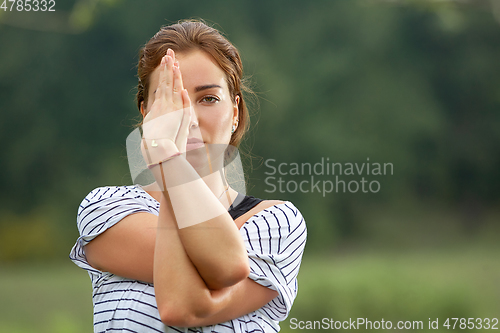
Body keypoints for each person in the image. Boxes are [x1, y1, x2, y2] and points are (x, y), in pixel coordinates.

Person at [69, 19, 307, 333]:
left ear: (235, 112)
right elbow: (207, 279)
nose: (189, 118)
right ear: (146, 115)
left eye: (208, 98)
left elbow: (186, 305)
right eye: (171, 101)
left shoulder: (277, 223)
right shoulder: (108, 208)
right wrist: (168, 158)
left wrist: (166, 158)